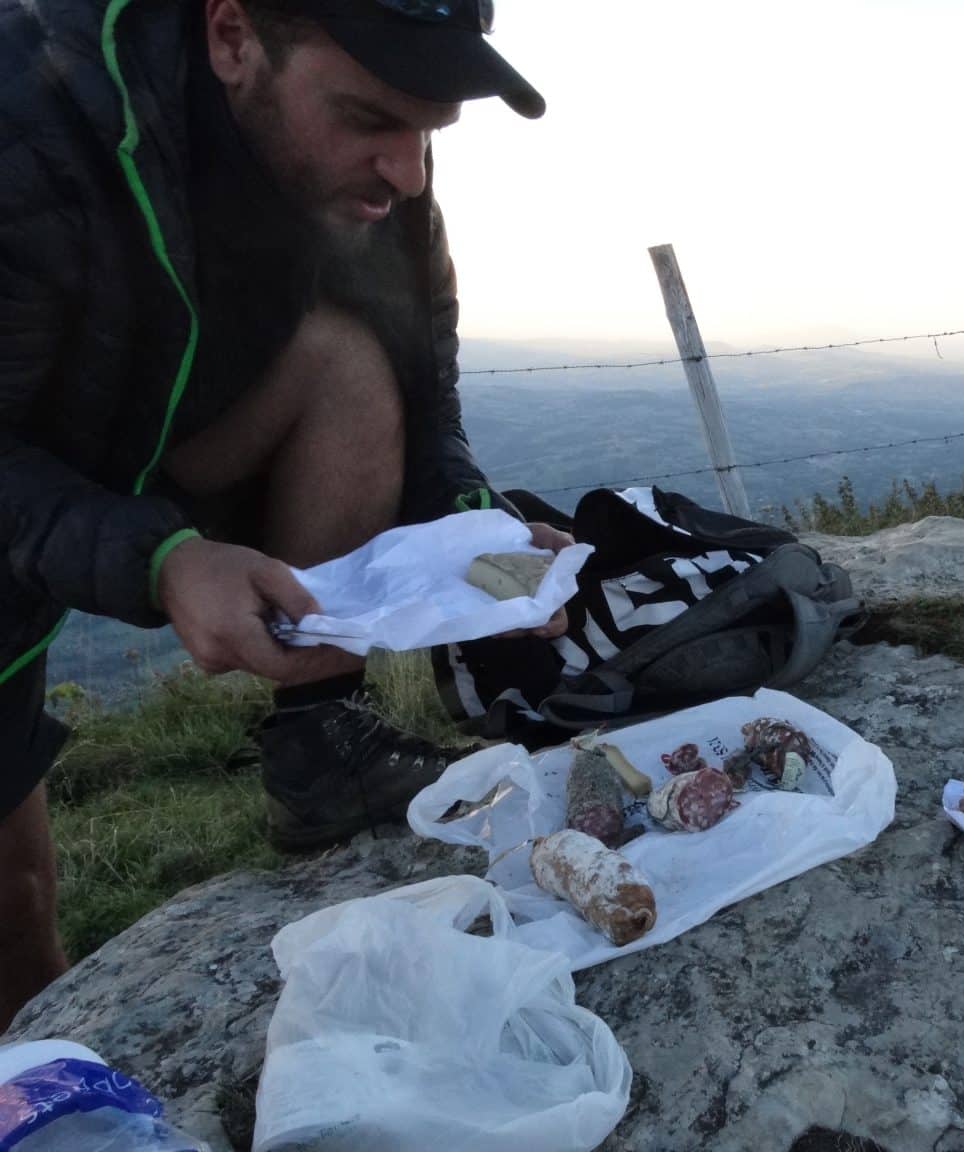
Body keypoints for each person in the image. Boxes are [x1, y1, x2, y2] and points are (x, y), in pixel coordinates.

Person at [0, 0, 570, 1029]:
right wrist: (162, 560)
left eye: (427, 129)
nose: (407, 172)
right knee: (11, 912)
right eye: (369, 118)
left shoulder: (377, 175)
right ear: (232, 38)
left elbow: (422, 390)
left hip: (136, 429)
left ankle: (320, 746)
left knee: (349, 361)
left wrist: (478, 530)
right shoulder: (28, 121)